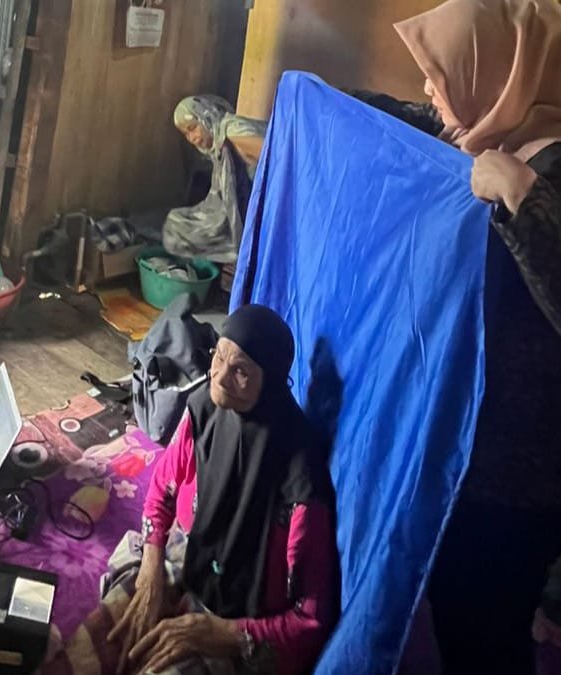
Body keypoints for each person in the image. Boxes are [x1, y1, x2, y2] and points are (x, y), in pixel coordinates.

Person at [352, 1, 561, 672]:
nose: (430, 88)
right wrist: (316, 100)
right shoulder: (488, 131)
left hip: (530, 466)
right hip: (479, 443)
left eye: (443, 72)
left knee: (483, 630)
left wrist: (523, 197)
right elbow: (413, 115)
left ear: (499, 71)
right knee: (460, 607)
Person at [39, 304, 339, 675]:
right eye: (219, 357)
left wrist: (228, 634)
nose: (220, 377)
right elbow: (160, 493)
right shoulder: (204, 412)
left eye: (241, 371)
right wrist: (151, 571)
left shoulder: (300, 482)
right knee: (97, 643)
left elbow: (310, 618)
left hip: (247, 619)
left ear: (272, 383)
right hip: (189, 557)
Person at [163, 96, 267, 263]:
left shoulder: (233, 132)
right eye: (186, 134)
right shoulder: (219, 144)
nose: (192, 138)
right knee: (176, 222)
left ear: (206, 117)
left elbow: (281, 160)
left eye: (193, 128)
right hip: (251, 203)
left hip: (269, 205)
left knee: (183, 227)